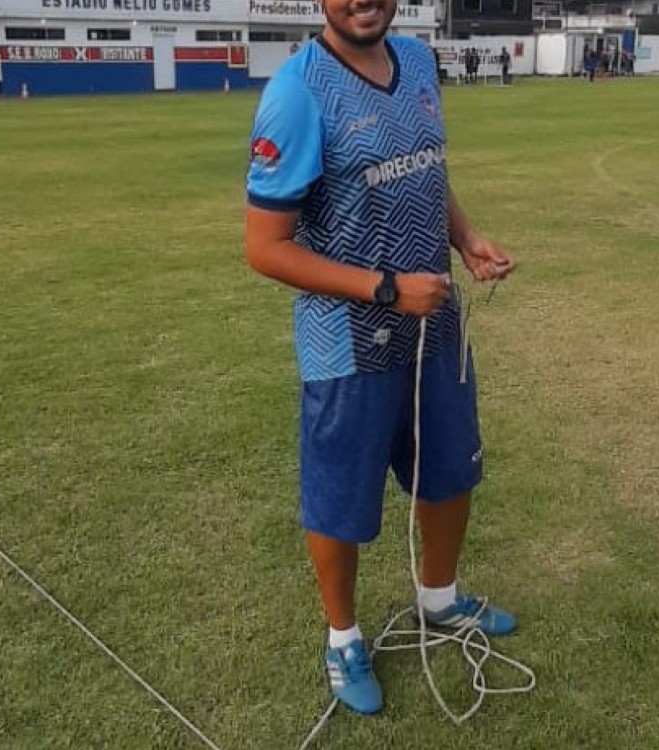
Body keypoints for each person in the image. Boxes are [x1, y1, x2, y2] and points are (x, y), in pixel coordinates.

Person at [244, 0, 518, 716]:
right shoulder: (297, 93)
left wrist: (466, 239)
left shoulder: (420, 62)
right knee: (341, 499)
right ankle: (343, 638)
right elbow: (265, 248)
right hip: (347, 343)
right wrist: (386, 288)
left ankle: (439, 599)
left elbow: (426, 170)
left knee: (450, 470)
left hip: (434, 325)